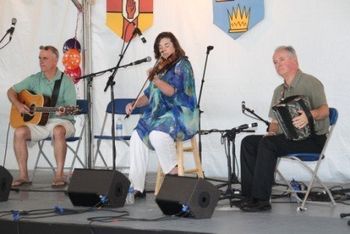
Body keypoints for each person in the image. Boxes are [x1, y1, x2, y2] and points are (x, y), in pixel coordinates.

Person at [239, 46, 329, 212]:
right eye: (274, 62)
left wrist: (309, 115)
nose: (277, 64)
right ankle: (249, 195)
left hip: (313, 140)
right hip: (288, 138)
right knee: (249, 142)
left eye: (281, 59)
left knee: (268, 145)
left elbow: (325, 110)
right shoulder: (278, 91)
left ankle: (261, 200)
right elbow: (274, 121)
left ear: (294, 60)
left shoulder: (311, 82)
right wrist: (272, 131)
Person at [125, 32, 198, 198]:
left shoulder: (182, 64)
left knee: (157, 134)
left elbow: (172, 92)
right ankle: (137, 187)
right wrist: (134, 103)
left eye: (167, 45)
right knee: (136, 136)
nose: (164, 49)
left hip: (181, 113)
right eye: (160, 47)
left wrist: (156, 80)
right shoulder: (160, 68)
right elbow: (148, 96)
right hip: (161, 115)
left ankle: (174, 175)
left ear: (174, 45)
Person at [7, 45, 77, 188]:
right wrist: (19, 105)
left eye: (45, 58)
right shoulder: (34, 79)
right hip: (40, 122)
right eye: (40, 58)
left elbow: (71, 110)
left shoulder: (66, 82)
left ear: (55, 60)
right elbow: (11, 91)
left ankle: (59, 175)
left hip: (63, 122)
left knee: (58, 130)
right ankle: (23, 175)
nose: (41, 61)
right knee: (19, 132)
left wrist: (64, 111)